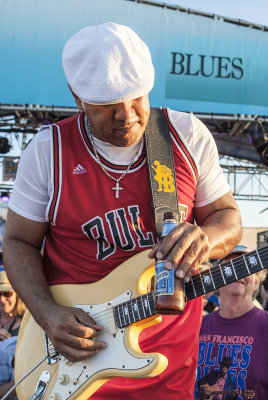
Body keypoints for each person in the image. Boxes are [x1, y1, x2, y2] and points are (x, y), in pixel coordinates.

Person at [2, 22, 241, 400]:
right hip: (74, 356)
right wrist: (46, 313)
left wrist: (206, 238)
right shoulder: (48, 151)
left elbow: (227, 216)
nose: (127, 115)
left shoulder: (186, 135)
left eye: (135, 97)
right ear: (77, 97)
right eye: (108, 104)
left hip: (168, 366)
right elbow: (17, 241)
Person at [196, 245, 268, 400]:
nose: (238, 271)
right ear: (216, 279)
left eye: (246, 266)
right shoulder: (196, 326)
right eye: (229, 265)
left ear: (256, 282)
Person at [0, 268, 25, 341]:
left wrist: (10, 343)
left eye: (7, 294)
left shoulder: (26, 323)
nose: (2, 299)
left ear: (17, 296)